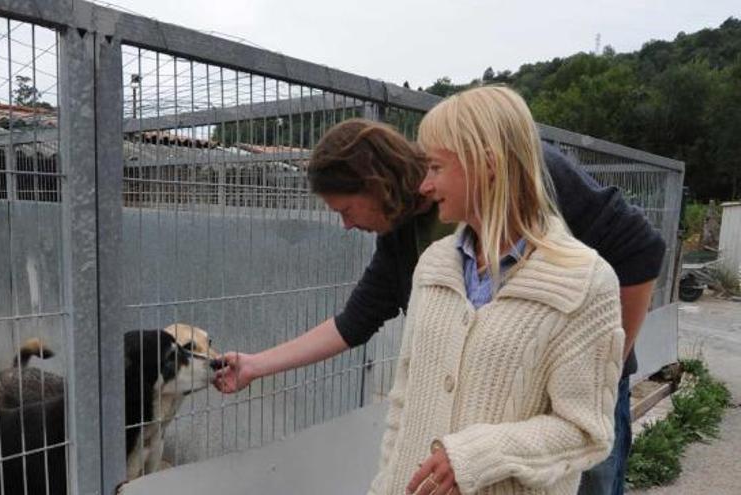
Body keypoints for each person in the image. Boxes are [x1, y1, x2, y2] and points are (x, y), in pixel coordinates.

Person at [214, 96, 665, 495]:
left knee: (594, 481)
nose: (346, 225)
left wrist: (608, 361)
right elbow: (354, 325)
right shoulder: (412, 242)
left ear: (375, 183)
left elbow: (641, 250)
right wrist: (256, 365)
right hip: (458, 440)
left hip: (573, 383)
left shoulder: (531, 169)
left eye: (346, 210)